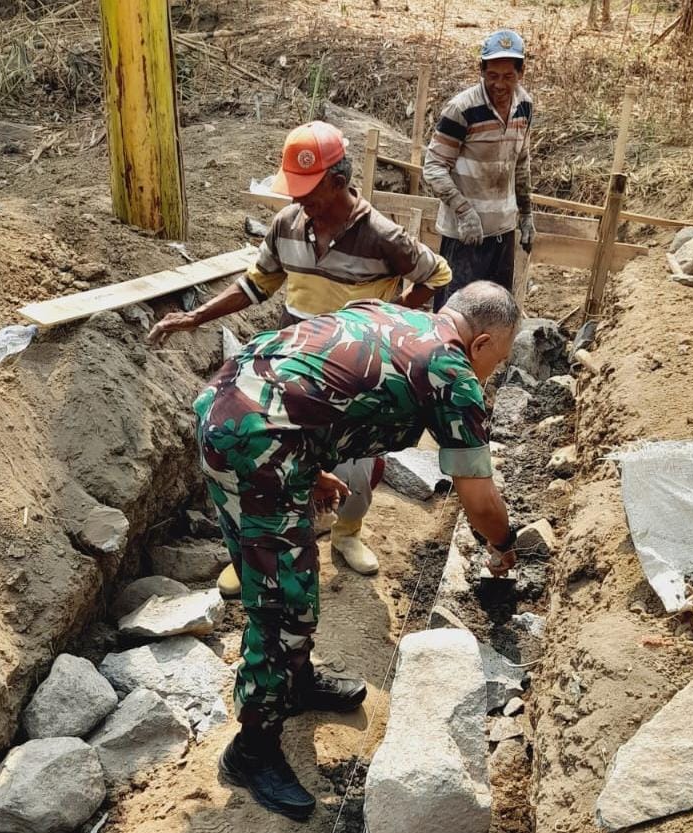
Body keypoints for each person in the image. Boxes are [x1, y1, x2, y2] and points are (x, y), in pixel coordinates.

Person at [198, 283, 522, 821]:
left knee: (277, 580)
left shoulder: (396, 317)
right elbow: (481, 500)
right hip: (257, 447)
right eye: (499, 361)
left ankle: (294, 683)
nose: (491, 375)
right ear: (482, 342)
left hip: (231, 411)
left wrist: (309, 467)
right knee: (284, 606)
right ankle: (250, 752)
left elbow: (310, 380)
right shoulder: (452, 372)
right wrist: (505, 544)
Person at [149, 121, 453, 583]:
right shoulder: (286, 226)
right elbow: (256, 284)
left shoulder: (383, 237)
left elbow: (438, 275)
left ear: (339, 181)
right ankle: (261, 547)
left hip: (357, 372)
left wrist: (389, 320)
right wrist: (195, 317)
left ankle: (348, 532)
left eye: (309, 190)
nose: (298, 200)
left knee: (356, 464)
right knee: (274, 458)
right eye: (294, 189)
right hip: (292, 367)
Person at [423, 28, 534, 310]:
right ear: (481, 71)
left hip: (502, 232)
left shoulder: (524, 107)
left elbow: (520, 162)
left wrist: (526, 213)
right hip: (465, 236)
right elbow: (434, 166)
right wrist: (464, 211)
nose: (500, 84)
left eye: (508, 76)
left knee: (494, 315)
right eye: (492, 75)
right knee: (455, 316)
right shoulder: (462, 109)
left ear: (520, 73)